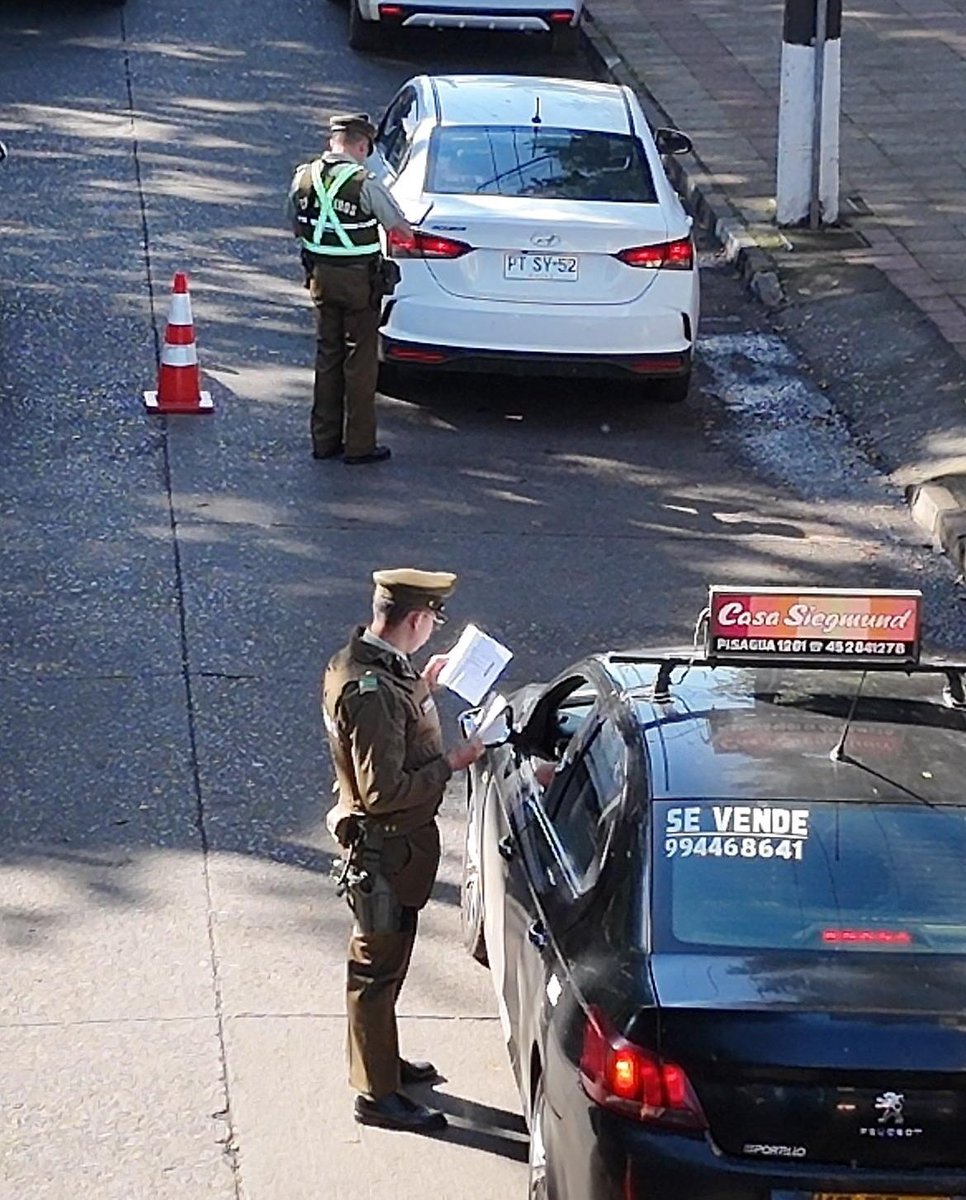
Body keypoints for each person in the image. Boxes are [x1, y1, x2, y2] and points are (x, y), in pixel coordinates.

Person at [322, 568, 485, 1132]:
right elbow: (382, 792)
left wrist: (424, 687)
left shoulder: (368, 665)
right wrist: (454, 762)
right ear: (416, 619)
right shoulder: (370, 692)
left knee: (386, 968)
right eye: (432, 620)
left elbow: (392, 720)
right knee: (374, 972)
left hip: (396, 852)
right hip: (383, 854)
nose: (432, 630)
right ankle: (376, 1095)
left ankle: (381, 1062)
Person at [289, 114, 412, 465]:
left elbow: (296, 224)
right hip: (360, 283)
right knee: (360, 361)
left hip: (321, 279)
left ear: (333, 142)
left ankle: (323, 440)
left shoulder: (304, 177)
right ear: (363, 146)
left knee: (327, 355)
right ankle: (359, 445)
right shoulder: (364, 182)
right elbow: (399, 230)